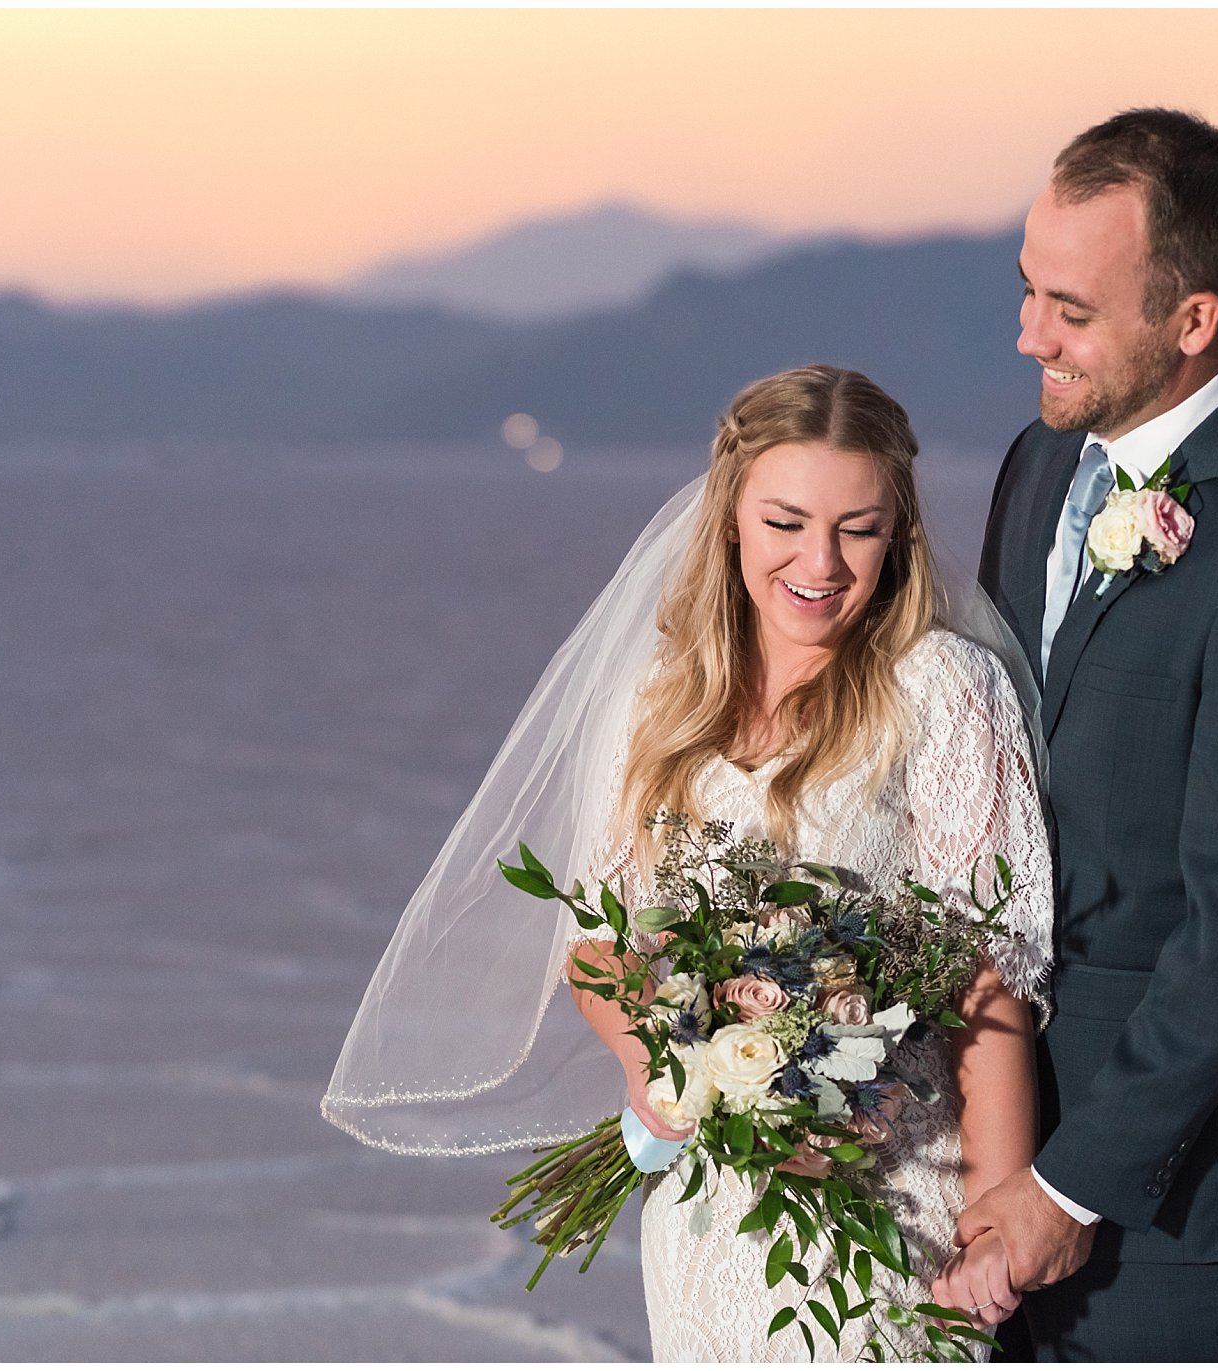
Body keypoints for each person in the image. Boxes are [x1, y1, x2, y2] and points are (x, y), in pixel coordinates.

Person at [323, 364, 1056, 1361]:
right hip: (707, 1212)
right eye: (786, 521)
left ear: (899, 533)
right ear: (729, 518)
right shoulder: (656, 701)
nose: (822, 562)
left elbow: (989, 985)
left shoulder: (939, 688)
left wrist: (993, 1227)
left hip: (890, 1212)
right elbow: (596, 944)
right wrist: (666, 1067)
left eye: (859, 527)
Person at [934, 109, 1218, 1361]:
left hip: (1168, 1202)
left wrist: (1068, 1185)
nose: (1028, 334)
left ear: (1192, 321)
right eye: (1026, 290)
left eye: (1070, 311)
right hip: (987, 1135)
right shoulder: (1038, 464)